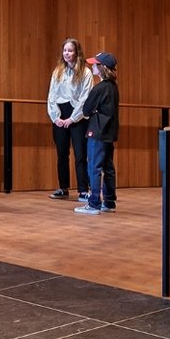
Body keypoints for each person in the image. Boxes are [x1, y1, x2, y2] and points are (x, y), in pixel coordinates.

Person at [46, 38, 94, 199]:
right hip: (60, 113)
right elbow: (52, 95)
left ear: (77, 52)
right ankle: (63, 187)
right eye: (65, 50)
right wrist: (56, 117)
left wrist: (73, 119)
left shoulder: (85, 72)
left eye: (70, 50)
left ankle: (82, 189)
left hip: (77, 116)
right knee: (62, 153)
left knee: (80, 154)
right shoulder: (58, 71)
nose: (67, 53)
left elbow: (85, 98)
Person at [75, 52, 121, 215]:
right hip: (109, 132)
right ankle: (109, 202)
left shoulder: (99, 88)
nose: (92, 66)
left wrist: (93, 111)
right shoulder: (113, 87)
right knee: (108, 167)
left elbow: (86, 109)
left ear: (102, 68)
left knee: (94, 167)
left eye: (95, 64)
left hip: (97, 132)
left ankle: (94, 203)